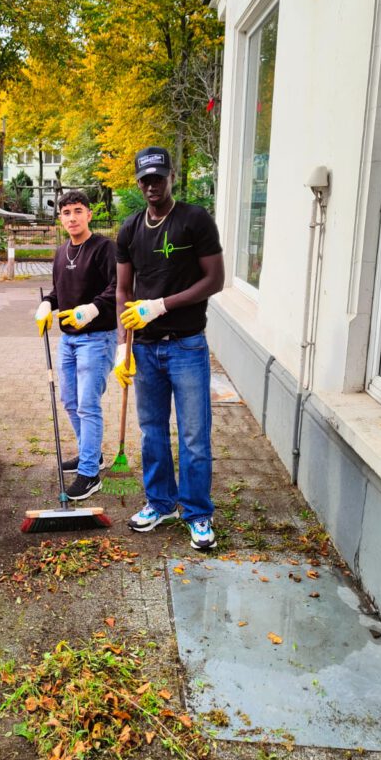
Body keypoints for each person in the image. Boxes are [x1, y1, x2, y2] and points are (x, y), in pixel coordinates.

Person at [114, 146, 224, 548]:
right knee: (152, 433)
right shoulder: (129, 230)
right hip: (144, 349)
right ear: (138, 181)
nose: (152, 185)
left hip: (187, 346)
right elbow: (123, 290)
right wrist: (121, 348)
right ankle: (161, 503)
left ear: (171, 176)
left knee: (195, 435)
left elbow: (214, 280)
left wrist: (160, 305)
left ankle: (197, 513)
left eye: (158, 177)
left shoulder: (194, 220)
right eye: (145, 179)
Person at [34, 190, 117, 501]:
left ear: (89, 215)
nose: (72, 217)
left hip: (97, 338)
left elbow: (120, 286)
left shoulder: (105, 248)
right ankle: (90, 455)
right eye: (66, 212)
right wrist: (46, 304)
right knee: (69, 400)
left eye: (78, 211)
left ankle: (89, 475)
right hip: (68, 339)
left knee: (87, 404)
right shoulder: (60, 252)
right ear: (60, 217)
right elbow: (59, 290)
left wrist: (92, 309)